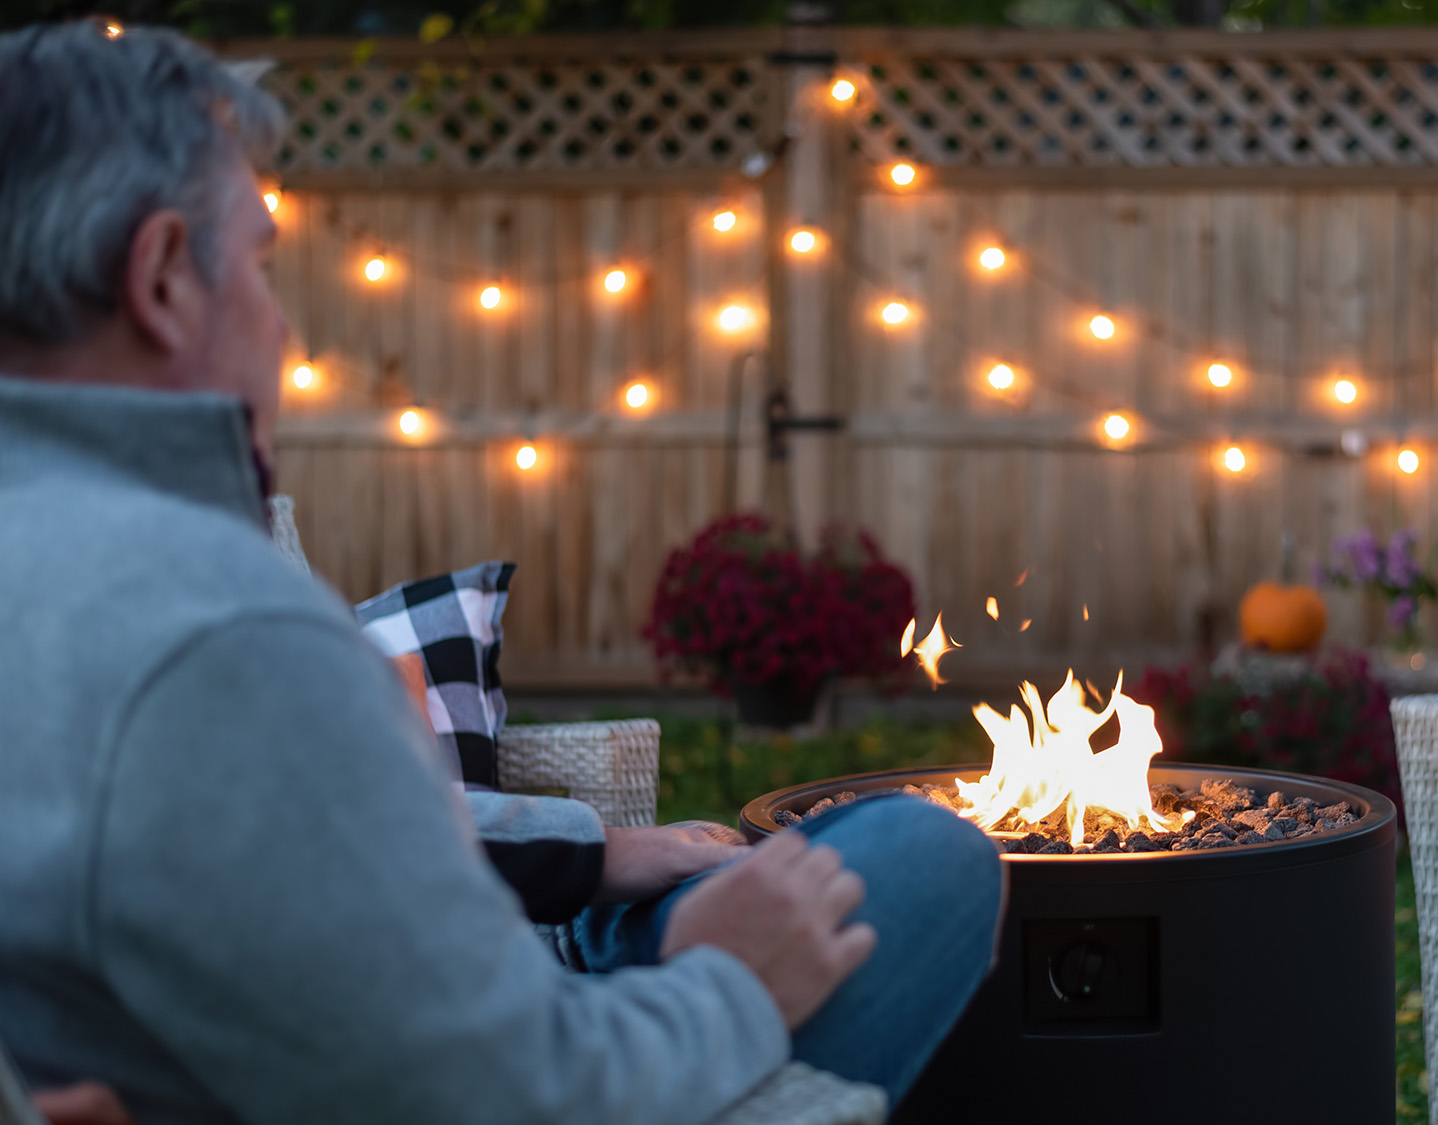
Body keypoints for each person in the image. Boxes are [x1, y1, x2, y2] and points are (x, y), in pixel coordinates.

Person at [0, 21, 1003, 1125]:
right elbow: (512, 1094)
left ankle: (630, 930)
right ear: (161, 281)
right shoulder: (222, 634)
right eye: (262, 266)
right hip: (548, 1065)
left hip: (409, 1000)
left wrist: (589, 852)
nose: (283, 326)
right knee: (920, 853)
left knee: (751, 878)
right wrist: (732, 984)